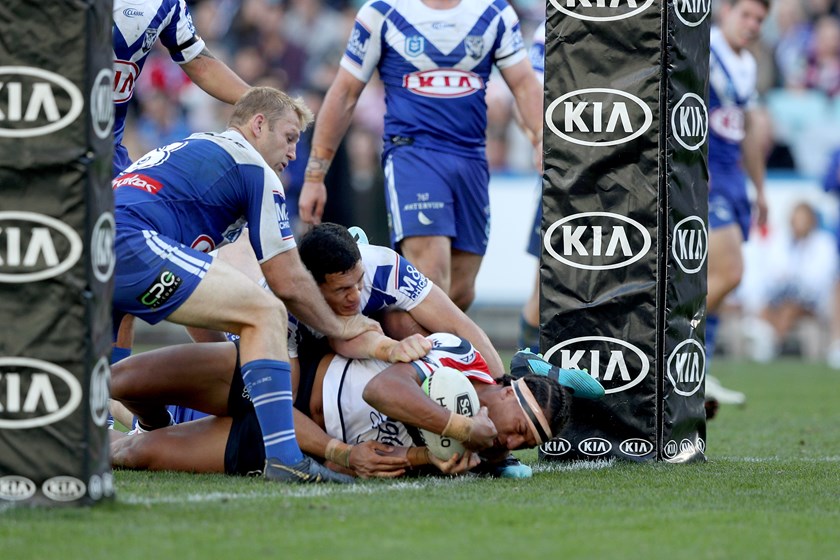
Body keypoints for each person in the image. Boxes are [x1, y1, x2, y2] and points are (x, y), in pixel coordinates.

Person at [112, 86, 380, 483]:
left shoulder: (197, 152)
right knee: (266, 310)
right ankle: (287, 458)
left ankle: (141, 428)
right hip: (129, 240)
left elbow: (197, 302)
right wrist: (340, 326)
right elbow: (286, 279)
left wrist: (228, 369)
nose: (292, 153)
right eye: (289, 138)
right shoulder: (251, 166)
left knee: (103, 374)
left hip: (96, 242)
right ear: (258, 125)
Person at [297, 0, 544, 311]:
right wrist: (315, 174)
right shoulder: (383, 13)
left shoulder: (493, 13)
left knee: (461, 291)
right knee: (432, 274)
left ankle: (402, 344)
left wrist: (539, 139)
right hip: (413, 155)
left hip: (470, 157)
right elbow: (344, 92)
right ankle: (429, 358)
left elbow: (524, 84)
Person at [110, 333, 579, 479]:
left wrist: (420, 458)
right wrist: (458, 425)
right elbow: (384, 391)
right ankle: (148, 419)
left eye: (525, 443)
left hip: (296, 443)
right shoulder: (459, 354)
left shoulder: (479, 459)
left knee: (133, 456)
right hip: (291, 376)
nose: (511, 441)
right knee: (124, 381)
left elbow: (396, 462)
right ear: (503, 390)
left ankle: (134, 433)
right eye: (518, 426)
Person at [112, 0, 251, 364]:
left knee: (116, 289)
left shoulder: (162, 5)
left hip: (103, 162)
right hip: (36, 157)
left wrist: (265, 103)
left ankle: (115, 405)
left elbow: (199, 61)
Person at [705, 0, 771, 406]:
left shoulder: (746, 63)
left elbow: (744, 131)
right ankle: (674, 353)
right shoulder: (704, 50)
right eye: (745, 15)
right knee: (730, 272)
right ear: (724, 11)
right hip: (706, 176)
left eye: (759, 20)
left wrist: (759, 188)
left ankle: (697, 369)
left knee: (717, 280)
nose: (752, 25)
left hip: (732, 179)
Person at [519, 21, 546, 353]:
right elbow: (524, 98)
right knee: (545, 289)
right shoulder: (552, 28)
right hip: (568, 175)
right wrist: (538, 139)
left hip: (622, 176)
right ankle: (525, 369)